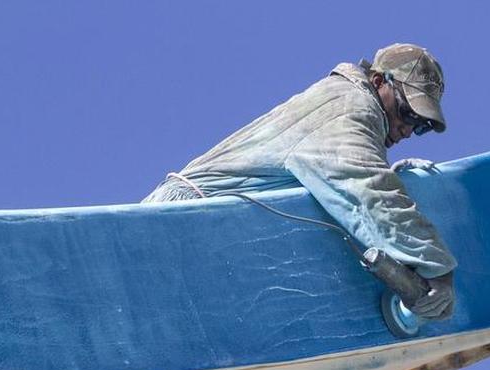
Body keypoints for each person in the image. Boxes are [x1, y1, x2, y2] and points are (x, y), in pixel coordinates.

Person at [143, 43, 456, 320]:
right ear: (377, 81)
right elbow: (369, 191)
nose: (407, 129)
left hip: (210, 225)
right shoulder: (349, 108)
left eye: (421, 126)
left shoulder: (347, 112)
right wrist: (437, 266)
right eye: (407, 112)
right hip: (184, 216)